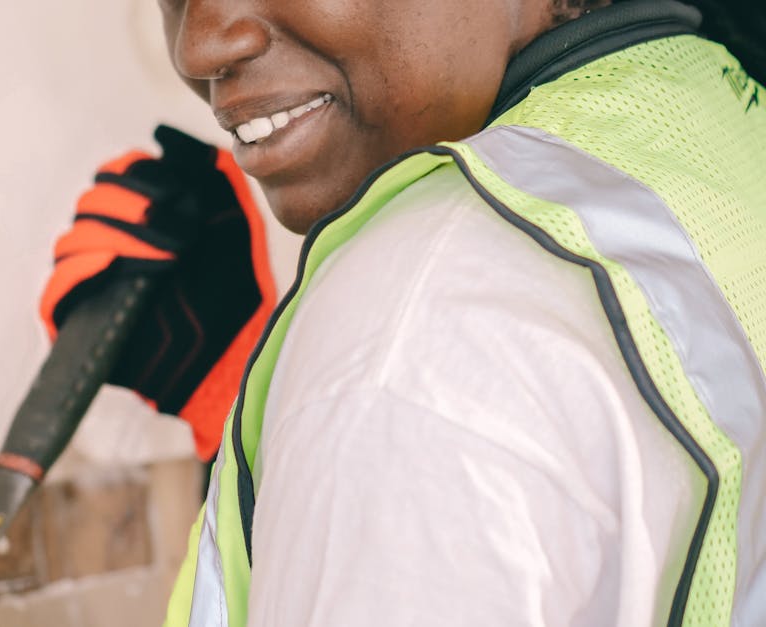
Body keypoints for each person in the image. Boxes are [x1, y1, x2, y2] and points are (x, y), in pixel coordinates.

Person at [41, 0, 766, 624]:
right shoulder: (711, 114)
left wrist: (360, 377)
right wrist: (243, 397)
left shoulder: (419, 329)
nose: (199, 45)